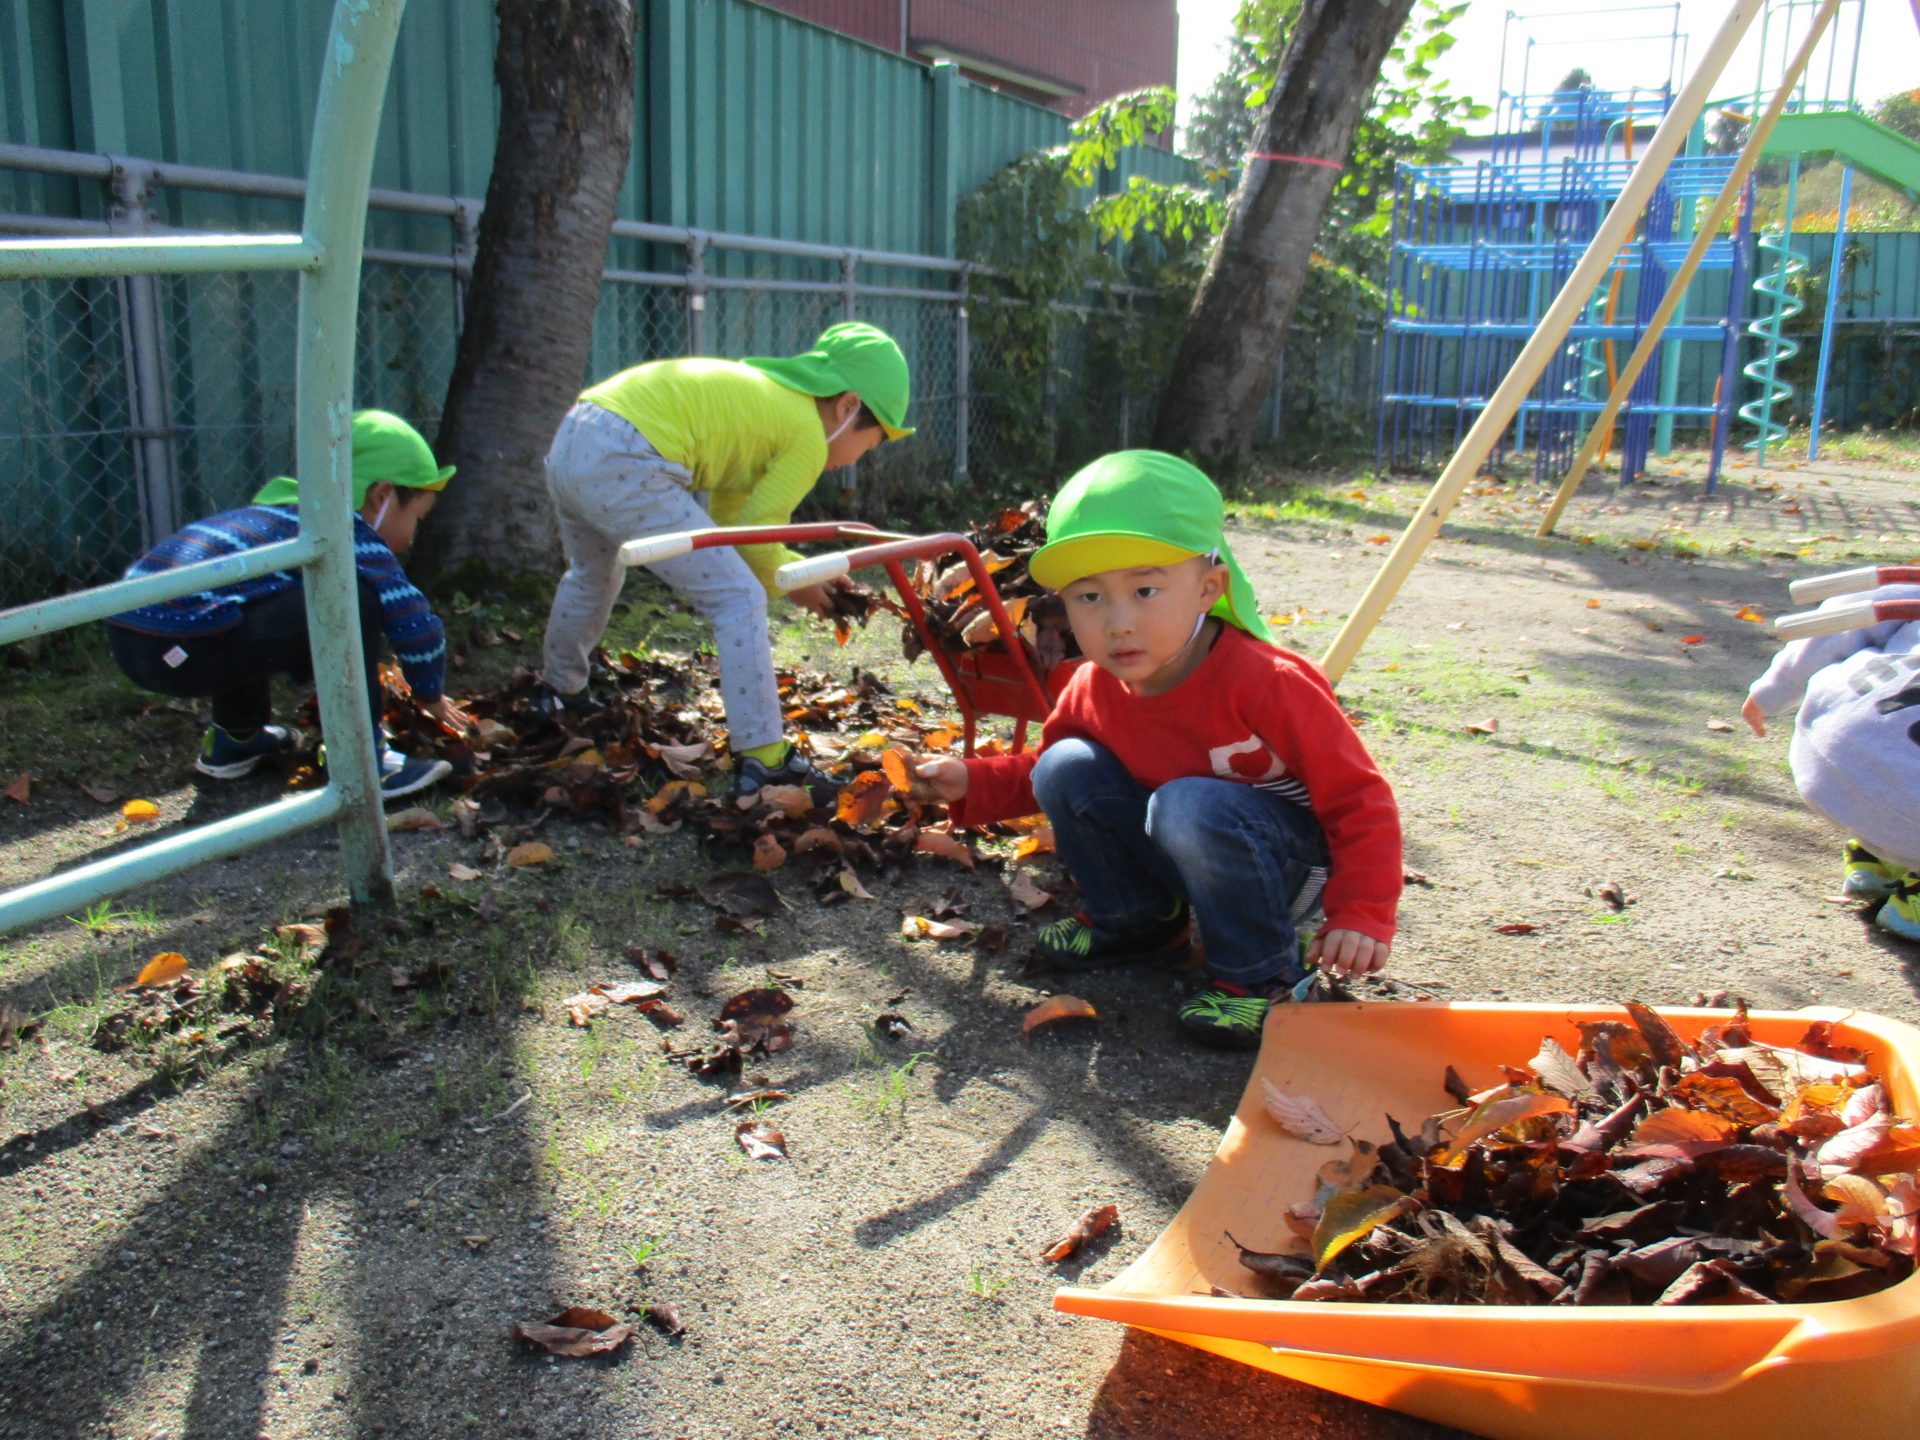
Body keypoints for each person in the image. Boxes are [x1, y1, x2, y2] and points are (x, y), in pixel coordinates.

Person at [910, 451, 1402, 1049]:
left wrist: (1361, 912)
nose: (1118, 623)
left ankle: (1264, 976)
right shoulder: (1094, 685)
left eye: (1145, 590)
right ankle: (1136, 920)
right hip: (1185, 847)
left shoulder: (1268, 682)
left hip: (1289, 869)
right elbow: (1047, 773)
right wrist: (971, 780)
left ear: (1208, 588)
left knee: (1188, 805)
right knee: (1068, 766)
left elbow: (1359, 798)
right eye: (1089, 597)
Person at [535, 321, 913, 800]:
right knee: (738, 599)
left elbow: (740, 533)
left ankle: (559, 693)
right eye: (871, 443)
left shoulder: (767, 405)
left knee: (593, 574)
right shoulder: (806, 435)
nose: (857, 459)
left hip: (578, 434)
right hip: (629, 456)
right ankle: (765, 759)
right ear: (848, 406)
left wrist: (798, 575)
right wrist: (796, 582)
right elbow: (756, 541)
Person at [104, 410, 469, 800]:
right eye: (417, 518)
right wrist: (429, 692)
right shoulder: (347, 532)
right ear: (381, 496)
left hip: (130, 634)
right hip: (180, 641)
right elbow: (414, 621)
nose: (413, 536)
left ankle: (236, 739)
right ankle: (362, 761)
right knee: (354, 599)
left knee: (243, 603)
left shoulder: (280, 516)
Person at [1742, 580, 1920, 941]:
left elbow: (1843, 619)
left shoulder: (1909, 587)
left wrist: (1772, 690)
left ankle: (1876, 856)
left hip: (1836, 748)